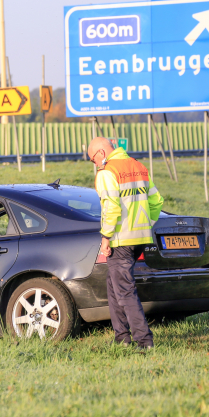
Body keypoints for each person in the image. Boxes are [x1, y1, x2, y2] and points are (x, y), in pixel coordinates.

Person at [88, 137, 163, 349]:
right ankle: (121, 337)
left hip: (120, 240)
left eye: (93, 160)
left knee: (125, 291)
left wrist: (105, 238)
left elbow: (111, 208)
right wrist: (146, 224)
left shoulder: (107, 173)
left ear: (101, 153)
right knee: (113, 285)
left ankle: (144, 341)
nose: (95, 164)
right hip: (140, 237)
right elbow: (156, 201)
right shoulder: (138, 166)